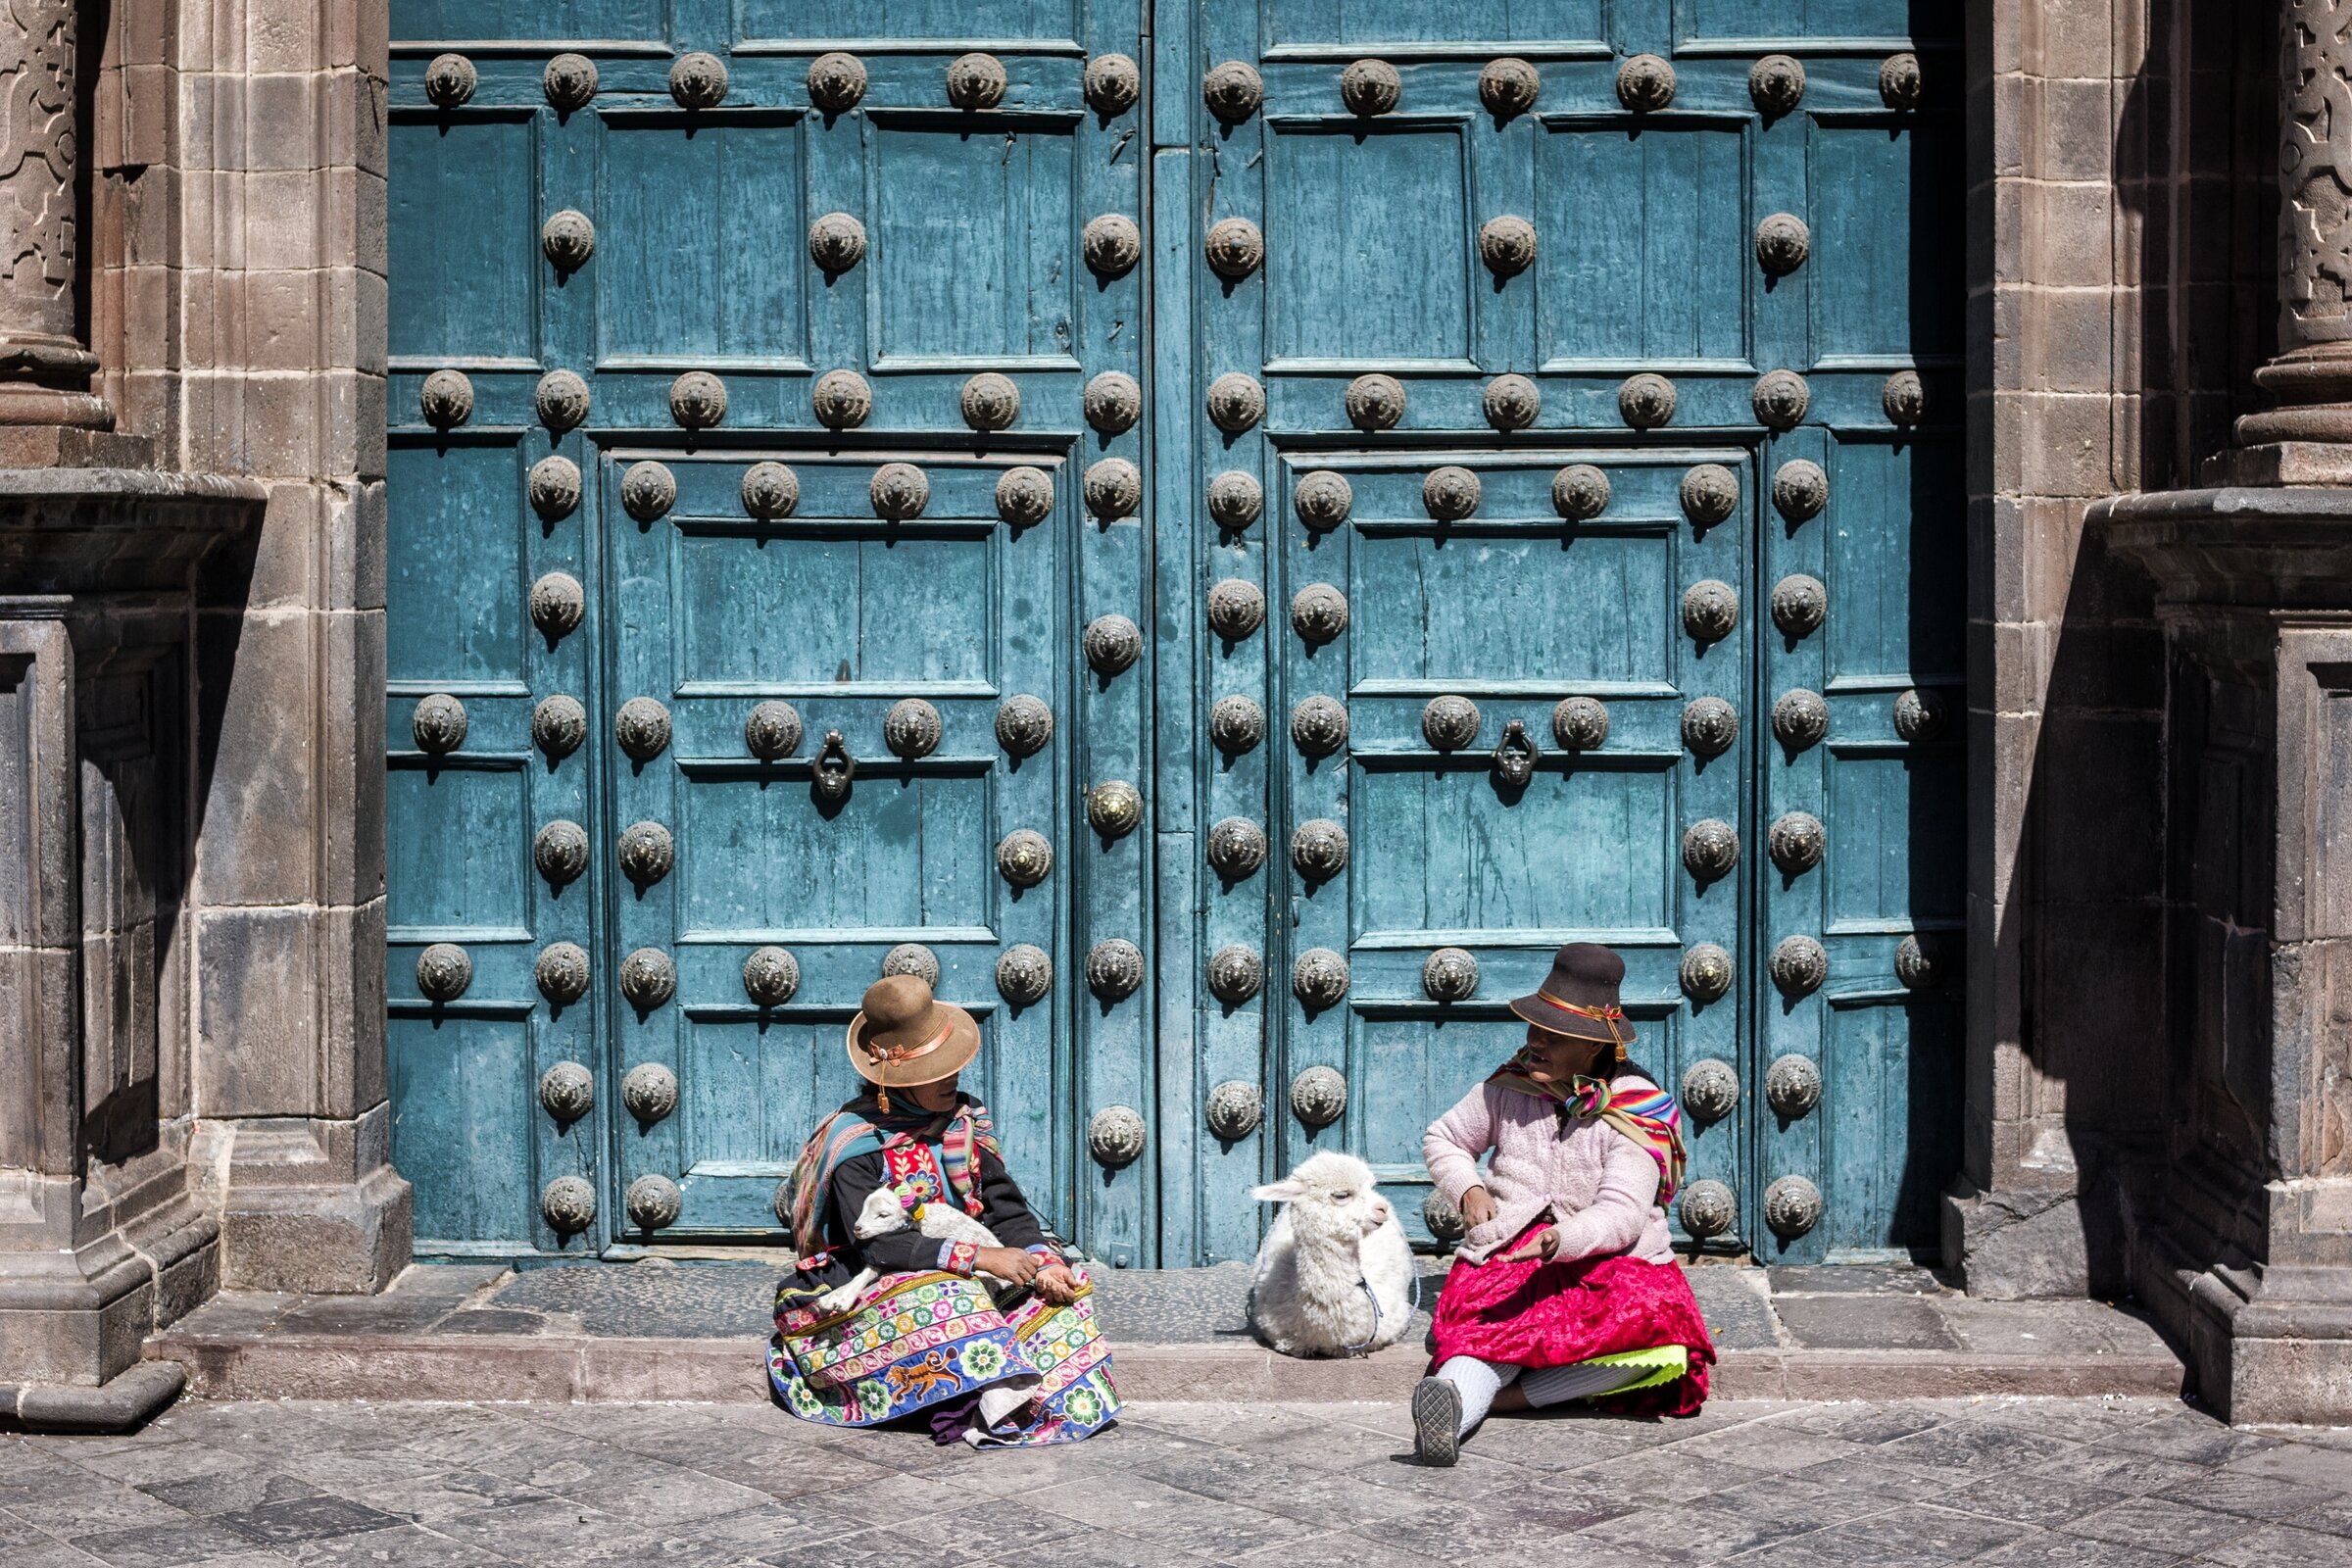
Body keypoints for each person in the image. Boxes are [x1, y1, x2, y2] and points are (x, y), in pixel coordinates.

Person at [767, 974, 1119, 1446]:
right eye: (933, 1073)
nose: (950, 1079)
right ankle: (962, 1401)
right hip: (870, 1274)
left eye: (950, 1066)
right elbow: (882, 1244)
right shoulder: (855, 1144)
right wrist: (980, 1259)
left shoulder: (963, 1123)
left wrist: (1043, 1263)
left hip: (964, 1265)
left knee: (1062, 1292)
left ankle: (1026, 1402)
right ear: (893, 1083)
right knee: (953, 1299)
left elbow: (1005, 1213)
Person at [1412, 942, 1715, 1465]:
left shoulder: (1638, 1112)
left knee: (1665, 1349)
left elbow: (1622, 1214)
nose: (1536, 1042)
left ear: (1595, 1045)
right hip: (1510, 1256)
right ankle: (1452, 1412)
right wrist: (1469, 1188)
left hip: (1610, 1265)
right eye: (1535, 1028)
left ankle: (1505, 1399)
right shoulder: (1507, 1088)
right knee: (1480, 1343)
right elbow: (1444, 1139)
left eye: (1555, 1035)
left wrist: (1563, 1239)